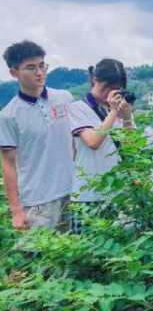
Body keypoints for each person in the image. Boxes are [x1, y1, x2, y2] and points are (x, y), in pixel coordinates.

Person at [0, 41, 74, 232]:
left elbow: (74, 142)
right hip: (37, 201)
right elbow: (8, 164)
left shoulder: (65, 98)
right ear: (14, 73)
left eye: (42, 66)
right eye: (31, 68)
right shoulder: (9, 116)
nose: (39, 72)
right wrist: (16, 211)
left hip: (72, 193)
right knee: (37, 258)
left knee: (74, 257)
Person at [69, 59, 134, 233]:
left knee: (116, 253)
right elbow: (92, 142)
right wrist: (113, 111)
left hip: (118, 195)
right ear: (95, 80)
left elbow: (132, 148)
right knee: (85, 254)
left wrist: (127, 116)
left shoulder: (117, 110)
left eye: (116, 88)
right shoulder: (78, 108)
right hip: (88, 196)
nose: (110, 93)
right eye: (107, 87)